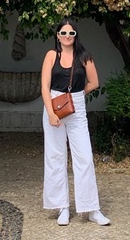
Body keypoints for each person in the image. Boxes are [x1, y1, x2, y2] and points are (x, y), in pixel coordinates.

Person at [41, 17, 111, 226]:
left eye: (71, 33)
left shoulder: (84, 56)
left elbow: (94, 82)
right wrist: (51, 112)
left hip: (76, 106)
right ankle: (62, 207)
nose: (67, 36)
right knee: (55, 157)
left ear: (75, 35)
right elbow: (44, 86)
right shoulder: (51, 55)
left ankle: (91, 209)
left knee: (85, 157)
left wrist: (77, 97)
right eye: (63, 33)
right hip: (53, 104)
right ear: (57, 36)